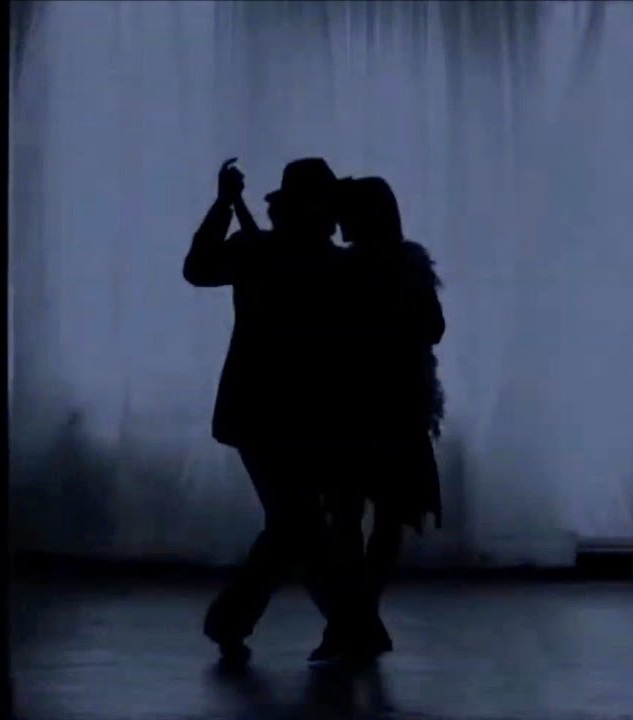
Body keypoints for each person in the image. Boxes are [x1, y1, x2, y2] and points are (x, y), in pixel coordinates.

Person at [183, 157, 359, 666]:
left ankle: (338, 623)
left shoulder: (259, 252)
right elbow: (198, 270)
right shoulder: (326, 264)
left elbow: (198, 268)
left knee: (294, 524)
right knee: (299, 524)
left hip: (267, 410)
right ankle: (344, 623)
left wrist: (223, 205)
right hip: (283, 412)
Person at [315, 176, 446, 662]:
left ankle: (356, 620)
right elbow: (433, 328)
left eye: (346, 214)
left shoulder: (346, 268)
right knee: (380, 517)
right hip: (392, 405)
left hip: (362, 405)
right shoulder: (405, 264)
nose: (339, 223)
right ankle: (361, 618)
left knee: (353, 517)